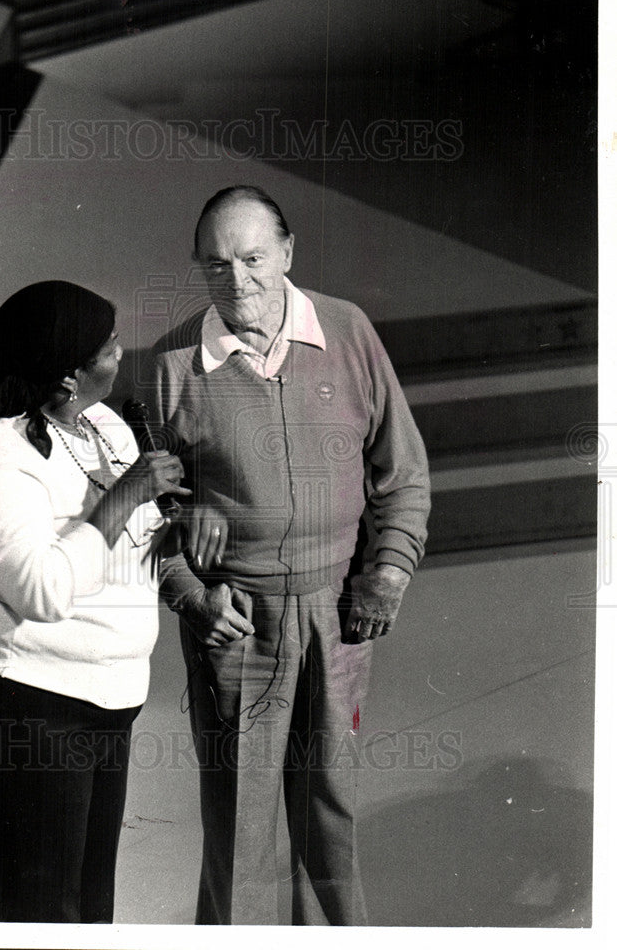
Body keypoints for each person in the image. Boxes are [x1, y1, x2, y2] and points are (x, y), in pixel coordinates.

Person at [150, 186, 431, 925]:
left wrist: (390, 571)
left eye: (252, 259)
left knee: (329, 821)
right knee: (239, 834)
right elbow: (145, 519)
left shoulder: (347, 330)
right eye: (216, 266)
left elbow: (403, 474)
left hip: (339, 615)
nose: (236, 281)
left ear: (287, 252)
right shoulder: (173, 365)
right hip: (235, 623)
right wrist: (192, 596)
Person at [0, 279, 190, 923]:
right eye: (107, 346)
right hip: (31, 704)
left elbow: (125, 550)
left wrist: (184, 538)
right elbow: (44, 591)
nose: (119, 353)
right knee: (44, 914)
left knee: (90, 912)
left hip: (111, 698)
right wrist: (125, 498)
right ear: (69, 375)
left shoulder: (105, 425)